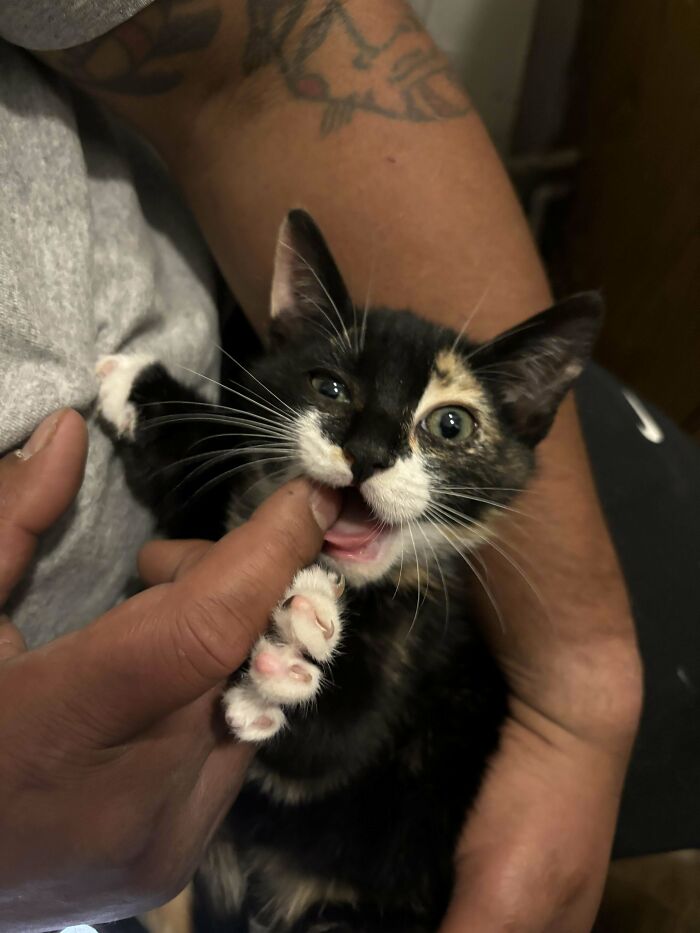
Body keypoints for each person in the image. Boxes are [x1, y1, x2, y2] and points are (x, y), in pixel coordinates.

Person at [0, 2, 642, 931]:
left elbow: (316, 752)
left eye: (449, 426)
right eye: (336, 395)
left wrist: (583, 693)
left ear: (528, 418)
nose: (374, 451)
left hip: (327, 866)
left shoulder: (415, 600)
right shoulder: (281, 450)